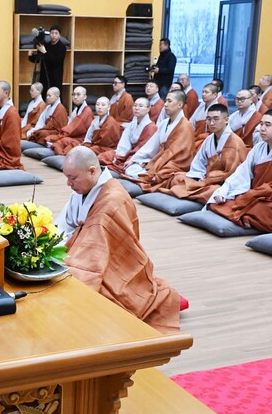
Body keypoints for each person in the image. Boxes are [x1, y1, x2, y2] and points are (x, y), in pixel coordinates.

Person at [55, 146, 182, 333]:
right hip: (86, 252)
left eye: (72, 178)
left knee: (83, 291)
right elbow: (63, 225)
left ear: (92, 171)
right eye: (67, 177)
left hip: (114, 263)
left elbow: (96, 249)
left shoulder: (112, 199)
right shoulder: (81, 192)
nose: (68, 183)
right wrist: (49, 247)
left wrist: (66, 261)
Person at [208, 109, 272, 232]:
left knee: (258, 209)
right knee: (220, 197)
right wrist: (224, 190)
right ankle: (247, 217)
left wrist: (253, 194)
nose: (262, 128)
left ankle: (248, 218)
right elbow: (242, 173)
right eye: (261, 124)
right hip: (260, 196)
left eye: (267, 125)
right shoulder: (259, 148)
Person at [162, 103, 249, 203]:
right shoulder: (209, 139)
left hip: (223, 184)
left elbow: (232, 173)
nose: (211, 123)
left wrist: (209, 179)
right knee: (177, 178)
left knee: (213, 190)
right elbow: (198, 163)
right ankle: (194, 193)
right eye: (208, 119)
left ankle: (191, 193)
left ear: (226, 120)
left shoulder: (235, 142)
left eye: (216, 119)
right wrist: (200, 177)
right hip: (205, 180)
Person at [124, 90, 194, 192]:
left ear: (180, 105)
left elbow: (179, 156)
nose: (165, 104)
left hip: (173, 165)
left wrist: (158, 170)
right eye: (165, 101)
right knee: (131, 168)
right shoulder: (164, 123)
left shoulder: (185, 126)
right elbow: (151, 146)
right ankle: (151, 175)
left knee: (164, 177)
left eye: (169, 101)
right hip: (160, 160)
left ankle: (155, 177)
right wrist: (134, 159)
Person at [102, 97, 158, 171]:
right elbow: (124, 142)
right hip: (128, 153)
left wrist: (132, 158)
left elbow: (146, 150)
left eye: (140, 106)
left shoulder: (151, 127)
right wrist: (119, 155)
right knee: (103, 156)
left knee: (130, 170)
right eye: (135, 105)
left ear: (148, 109)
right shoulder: (132, 124)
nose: (136, 108)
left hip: (140, 157)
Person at [53, 96, 120, 156]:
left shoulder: (111, 122)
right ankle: (63, 155)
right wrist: (86, 144)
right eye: (97, 104)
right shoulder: (95, 121)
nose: (99, 107)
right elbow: (88, 136)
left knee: (84, 152)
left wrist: (89, 146)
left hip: (105, 149)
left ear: (109, 107)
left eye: (103, 105)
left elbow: (105, 143)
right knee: (76, 148)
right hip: (94, 146)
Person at [28, 25, 66, 94]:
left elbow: (56, 61)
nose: (54, 35)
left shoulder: (62, 47)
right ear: (50, 34)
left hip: (55, 76)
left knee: (55, 95)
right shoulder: (46, 45)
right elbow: (39, 59)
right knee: (43, 94)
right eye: (52, 33)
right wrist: (31, 56)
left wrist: (44, 52)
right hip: (44, 75)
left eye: (56, 33)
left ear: (59, 35)